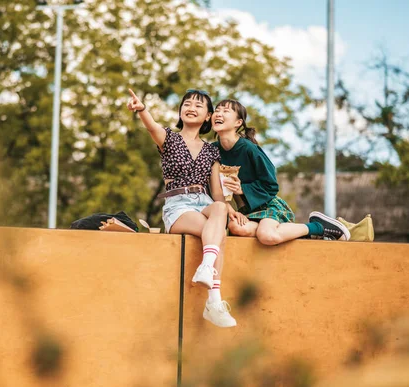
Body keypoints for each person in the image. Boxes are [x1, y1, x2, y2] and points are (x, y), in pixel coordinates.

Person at [127, 88, 236, 328]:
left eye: (199, 105)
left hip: (205, 201)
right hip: (178, 205)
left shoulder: (212, 150)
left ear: (208, 116)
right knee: (219, 235)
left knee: (220, 208)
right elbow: (152, 127)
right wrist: (142, 109)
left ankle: (206, 268)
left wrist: (231, 209)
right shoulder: (169, 138)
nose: (191, 107)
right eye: (187, 103)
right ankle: (214, 301)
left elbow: (217, 193)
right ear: (180, 111)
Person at [211, 99, 350, 243]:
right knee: (237, 228)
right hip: (245, 212)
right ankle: (291, 232)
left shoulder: (249, 149)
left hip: (269, 206)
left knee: (267, 236)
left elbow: (271, 185)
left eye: (225, 111)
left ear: (238, 122)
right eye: (217, 110)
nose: (219, 114)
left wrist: (242, 189)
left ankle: (318, 227)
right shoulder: (212, 151)